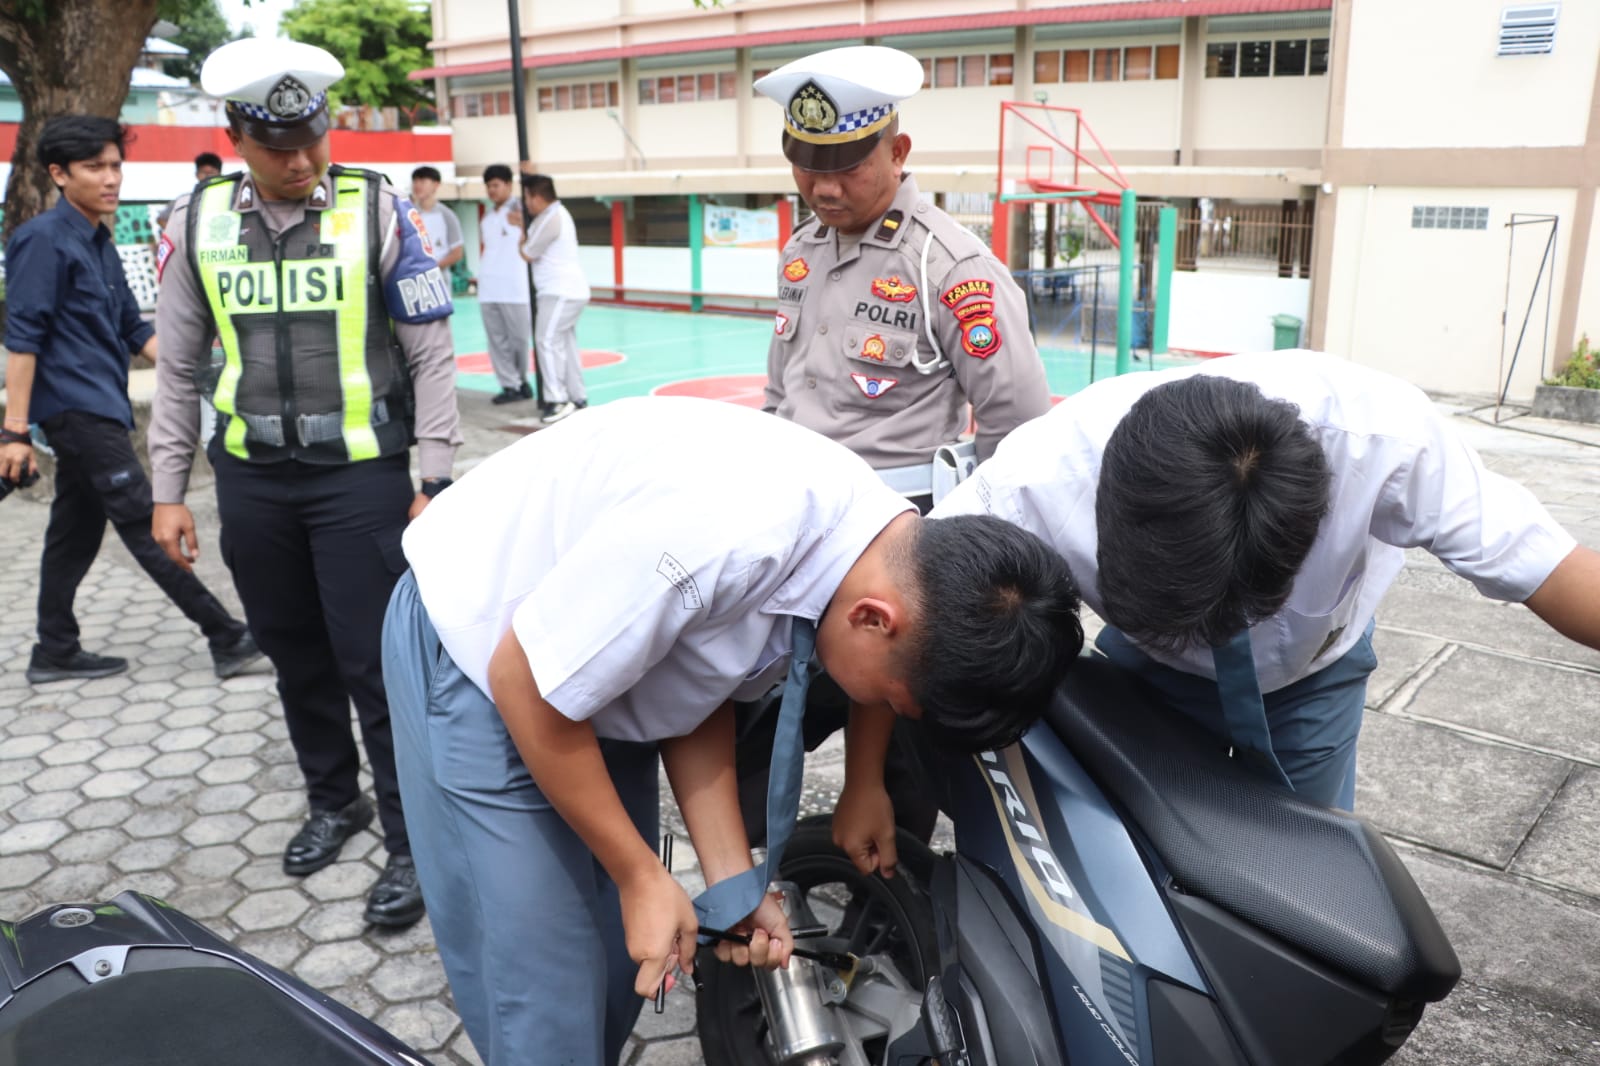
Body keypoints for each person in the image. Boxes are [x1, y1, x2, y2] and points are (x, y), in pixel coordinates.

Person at [381, 395, 1084, 1066]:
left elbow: (693, 685)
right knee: (545, 992)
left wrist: (730, 885)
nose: (882, 711)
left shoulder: (870, 547)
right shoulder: (722, 539)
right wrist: (639, 873)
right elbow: (526, 681)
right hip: (483, 655)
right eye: (895, 701)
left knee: (618, 961)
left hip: (585, 667)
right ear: (874, 619)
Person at [932, 350, 1600, 813]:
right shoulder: (1038, 477)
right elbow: (907, 595)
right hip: (1151, 676)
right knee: (1152, 849)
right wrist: (877, 783)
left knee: (1310, 865)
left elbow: (1552, 568)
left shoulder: (1384, 438)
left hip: (1314, 677)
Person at [148, 37, 461, 928]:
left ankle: (410, 839)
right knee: (293, 652)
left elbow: (431, 355)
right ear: (238, 139)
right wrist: (168, 489)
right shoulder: (196, 221)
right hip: (251, 480)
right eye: (277, 146)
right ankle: (335, 801)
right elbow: (177, 367)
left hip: (360, 480)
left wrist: (435, 476)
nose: (301, 161)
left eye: (312, 139)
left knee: (376, 665)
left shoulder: (378, 210)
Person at [0, 116, 260, 685]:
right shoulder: (42, 240)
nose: (111, 178)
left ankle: (55, 649)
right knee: (147, 522)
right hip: (75, 410)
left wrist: (211, 369)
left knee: (74, 531)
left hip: (101, 406)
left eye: (116, 166)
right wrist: (13, 431)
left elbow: (134, 331)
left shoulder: (98, 240)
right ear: (59, 174)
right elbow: (22, 339)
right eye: (94, 167)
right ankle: (226, 636)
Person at [755, 45, 1052, 514]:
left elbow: (1018, 424)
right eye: (808, 167)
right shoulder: (801, 251)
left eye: (848, 167)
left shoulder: (950, 266)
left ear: (897, 153)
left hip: (899, 514)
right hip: (792, 504)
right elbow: (779, 393)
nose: (825, 188)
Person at [517, 172, 589, 424]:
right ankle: (577, 396)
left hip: (559, 291)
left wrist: (521, 233)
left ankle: (558, 400)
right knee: (564, 343)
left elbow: (528, 252)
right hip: (567, 290)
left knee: (546, 340)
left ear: (537, 197)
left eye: (527, 198)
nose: (526, 204)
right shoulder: (555, 215)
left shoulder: (551, 218)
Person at [477, 163, 533, 405]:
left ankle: (521, 381)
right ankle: (510, 385)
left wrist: (523, 223)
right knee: (497, 341)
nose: (492, 190)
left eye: (496, 185)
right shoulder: (488, 217)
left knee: (519, 340)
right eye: (488, 186)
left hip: (516, 288)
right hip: (489, 289)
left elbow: (536, 235)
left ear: (509, 185)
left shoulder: (523, 211)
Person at [409, 165, 464, 274]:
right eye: (415, 181)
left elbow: (457, 253)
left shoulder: (447, 215)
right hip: (412, 276)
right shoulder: (410, 214)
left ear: (436, 184)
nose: (417, 185)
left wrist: (432, 268)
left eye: (422, 181)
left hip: (439, 278)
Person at [155, 151, 224, 232]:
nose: (207, 176)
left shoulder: (227, 198)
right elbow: (161, 219)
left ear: (219, 174)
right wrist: (180, 233)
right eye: (203, 172)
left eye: (211, 172)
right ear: (196, 174)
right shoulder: (185, 200)